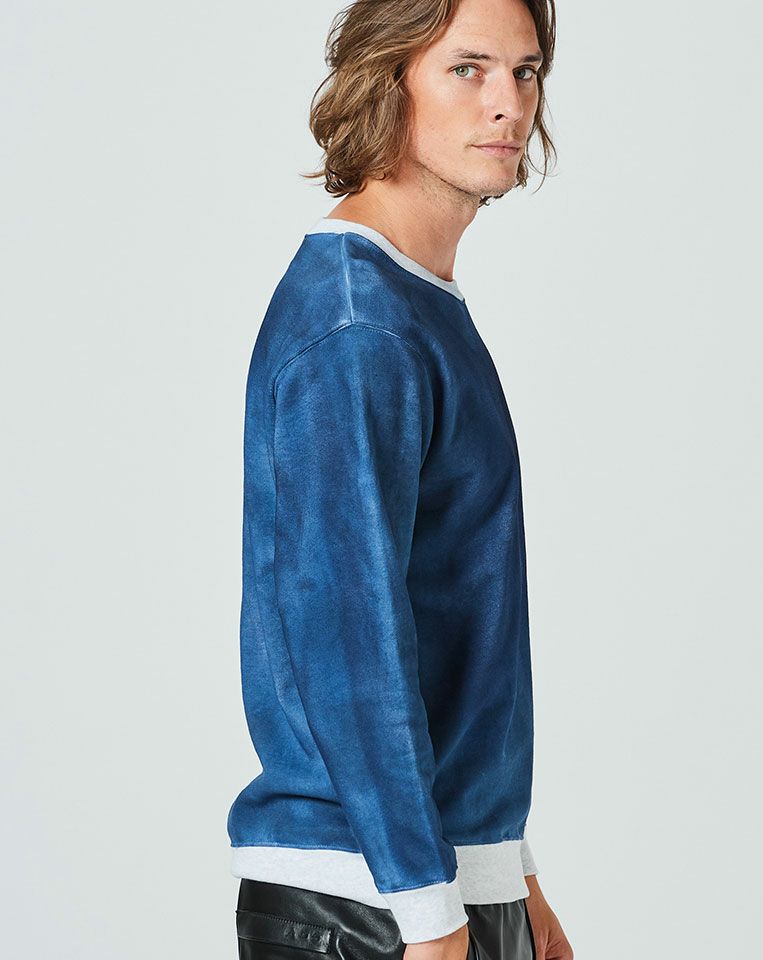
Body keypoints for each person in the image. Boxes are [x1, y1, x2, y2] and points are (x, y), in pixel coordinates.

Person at [227, 1, 573, 958]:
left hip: (440, 883)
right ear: (388, 82)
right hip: (373, 902)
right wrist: (430, 913)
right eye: (468, 68)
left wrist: (510, 871)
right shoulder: (359, 324)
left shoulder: (415, 303)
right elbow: (348, 639)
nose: (508, 103)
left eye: (525, 71)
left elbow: (456, 627)